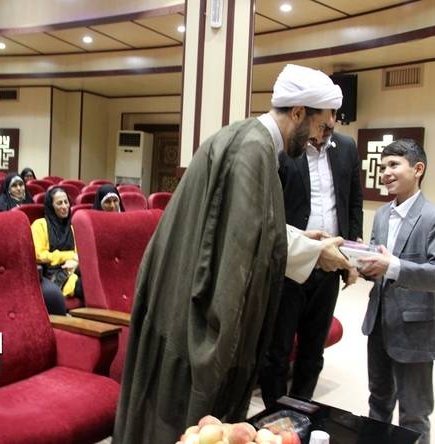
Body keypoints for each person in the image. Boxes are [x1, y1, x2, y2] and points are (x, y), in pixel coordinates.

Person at [113, 64, 353, 444]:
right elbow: (243, 242)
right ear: (298, 112)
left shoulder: (249, 139)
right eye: (322, 127)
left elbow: (247, 224)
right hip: (189, 307)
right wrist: (314, 253)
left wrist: (302, 239)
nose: (319, 140)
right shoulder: (252, 150)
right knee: (193, 427)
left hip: (177, 286)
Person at [358, 139, 435, 444]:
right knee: (378, 402)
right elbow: (379, 265)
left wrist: (393, 266)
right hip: (378, 324)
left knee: (413, 415)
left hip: (415, 330)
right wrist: (364, 264)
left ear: (418, 169)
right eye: (382, 166)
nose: (385, 172)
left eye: (394, 165)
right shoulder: (381, 215)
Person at [259, 127, 363, 406]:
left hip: (329, 265)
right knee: (278, 349)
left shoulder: (346, 147)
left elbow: (354, 203)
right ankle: (273, 413)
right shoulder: (286, 145)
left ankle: (300, 409)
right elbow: (269, 207)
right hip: (291, 263)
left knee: (313, 349)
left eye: (333, 115)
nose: (328, 123)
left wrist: (351, 257)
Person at [31, 187, 82, 315]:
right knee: (87, 288)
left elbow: (78, 254)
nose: (64, 206)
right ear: (51, 206)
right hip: (51, 274)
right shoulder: (40, 225)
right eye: (59, 203)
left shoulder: (71, 228)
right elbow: (39, 255)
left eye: (66, 202)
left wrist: (75, 262)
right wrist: (68, 256)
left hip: (72, 270)